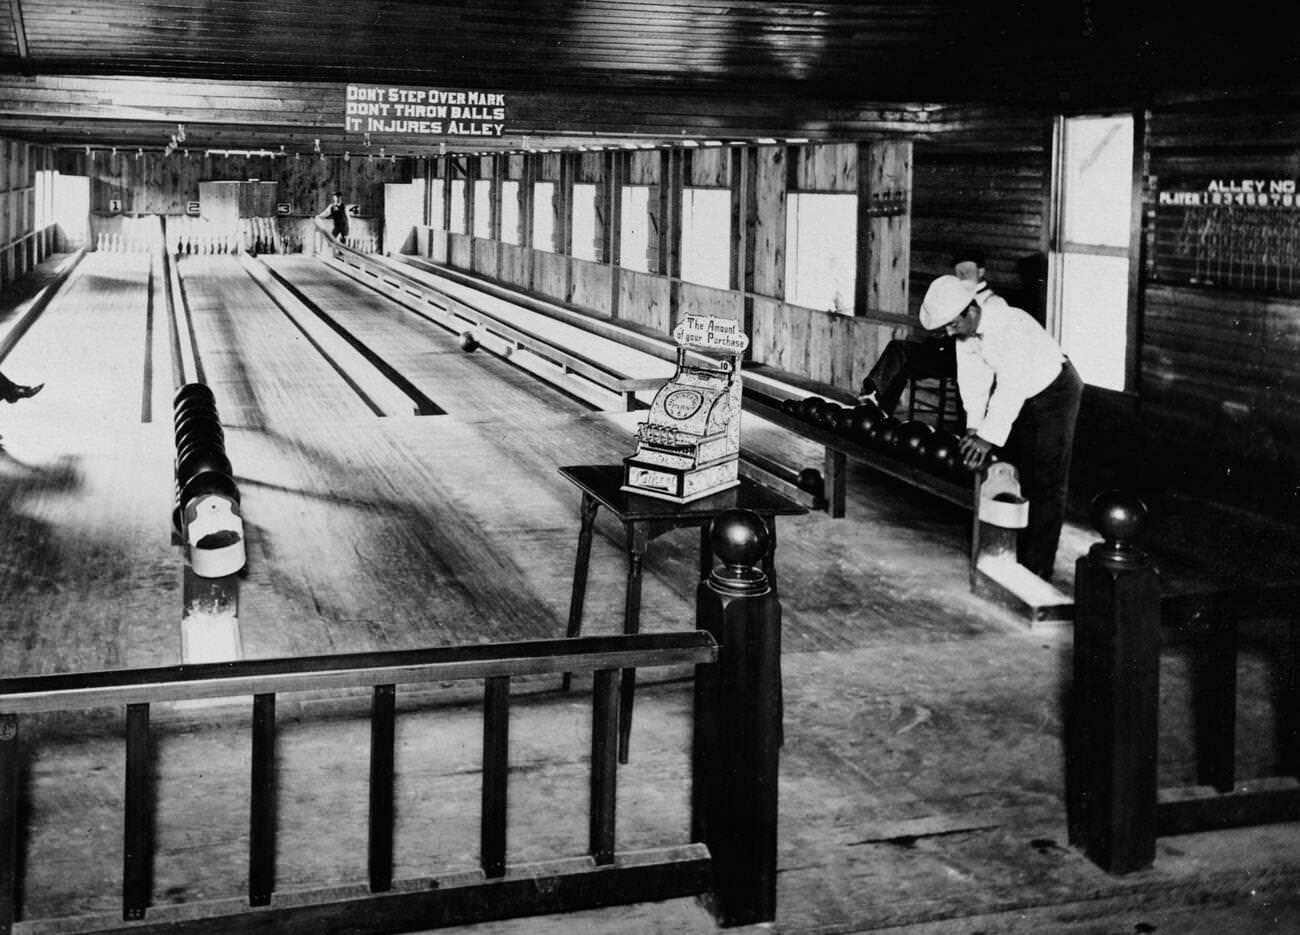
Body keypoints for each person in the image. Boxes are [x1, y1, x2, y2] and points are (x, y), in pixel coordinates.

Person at [918, 274, 1083, 581]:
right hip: (1023, 396)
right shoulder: (965, 332)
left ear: (970, 310)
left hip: (1056, 391)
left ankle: (1038, 569)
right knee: (1014, 471)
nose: (950, 331)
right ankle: (1010, 555)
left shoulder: (1009, 324)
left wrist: (986, 437)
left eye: (953, 324)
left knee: (1047, 481)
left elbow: (1011, 385)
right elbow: (973, 380)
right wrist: (973, 427)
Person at [857, 248, 1003, 413]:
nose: (961, 277)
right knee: (899, 351)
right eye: (958, 273)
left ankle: (879, 409)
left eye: (966, 272)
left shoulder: (993, 302)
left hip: (965, 360)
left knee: (905, 364)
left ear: (981, 271)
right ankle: (874, 400)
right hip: (943, 352)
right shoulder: (954, 295)